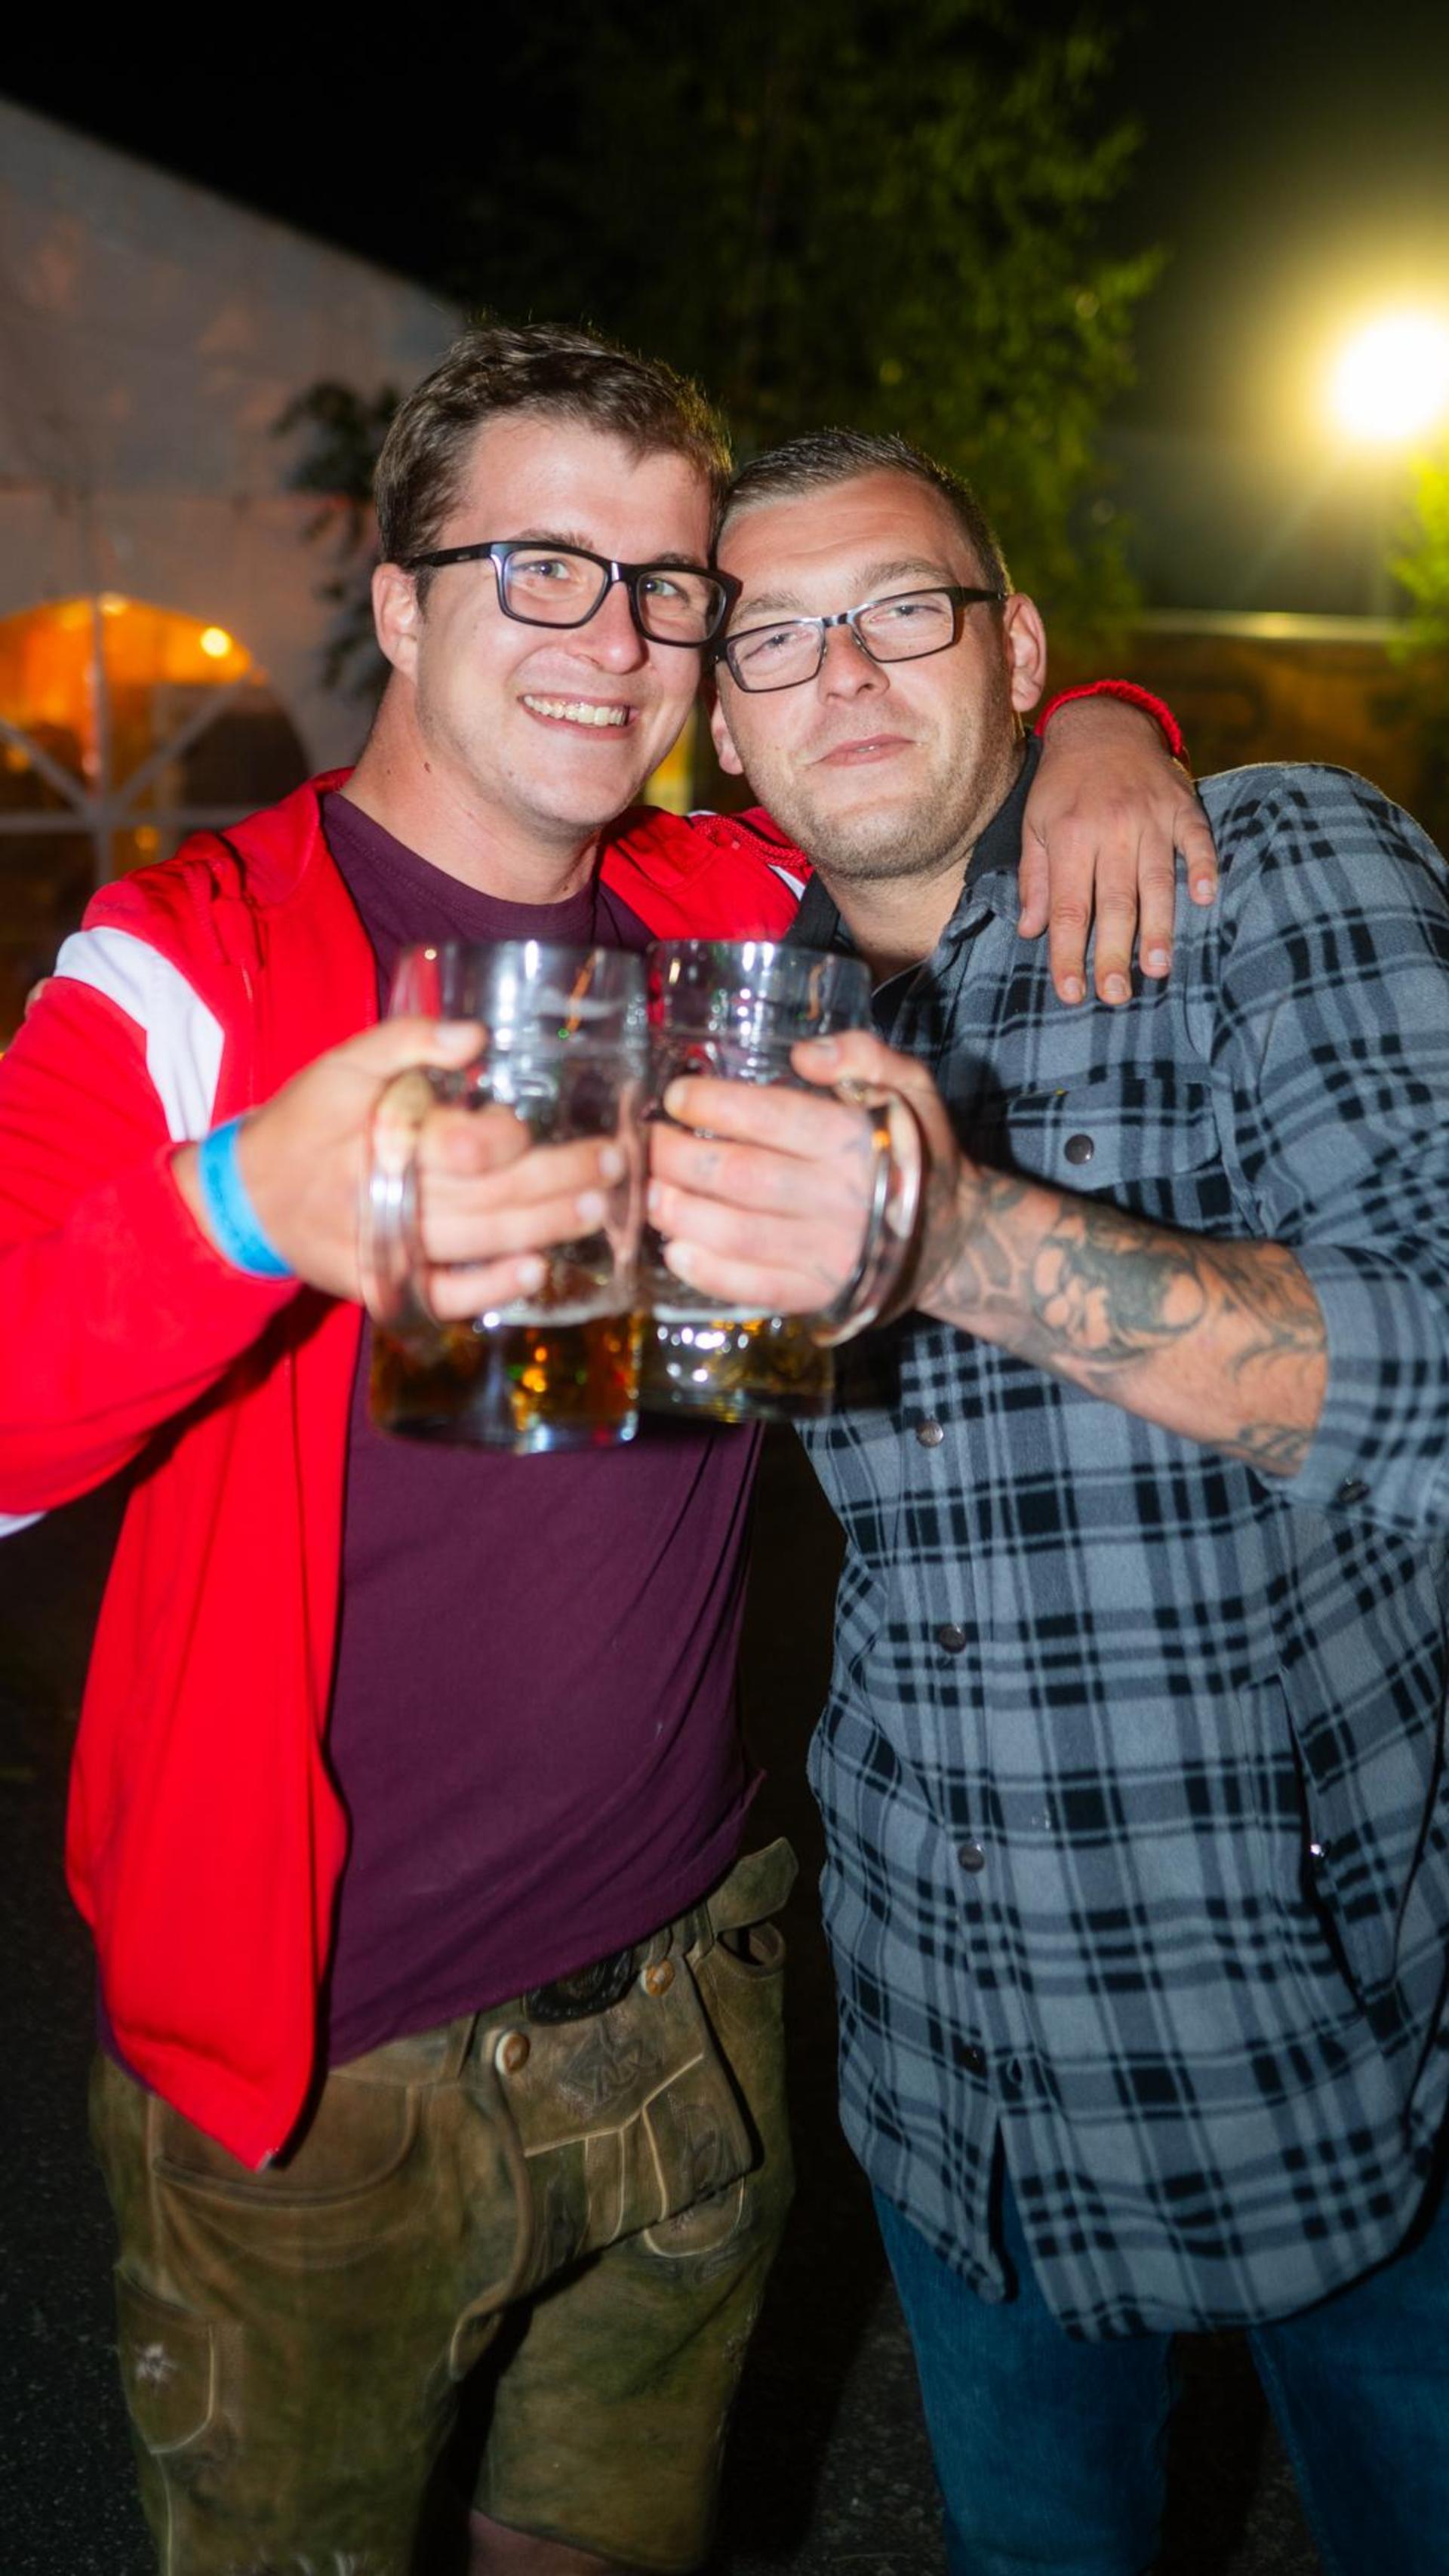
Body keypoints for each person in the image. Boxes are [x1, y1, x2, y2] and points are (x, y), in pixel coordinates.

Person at [0, 328, 1201, 2576]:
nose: (622, 643)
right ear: (394, 601)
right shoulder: (187, 963)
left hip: (690, 1990)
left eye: (668, 587)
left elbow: (932, 765)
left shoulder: (720, 909)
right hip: (322, 2075)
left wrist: (1113, 735)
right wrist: (249, 1204)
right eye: (544, 570)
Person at [650, 426, 1449, 2576]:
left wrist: (946, 1236)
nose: (841, 680)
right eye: (775, 640)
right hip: (950, 2063)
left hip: (1316, 2032)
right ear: (720, 722)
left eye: (900, 610)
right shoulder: (729, 1011)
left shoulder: (1265, 872)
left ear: (1013, 644)